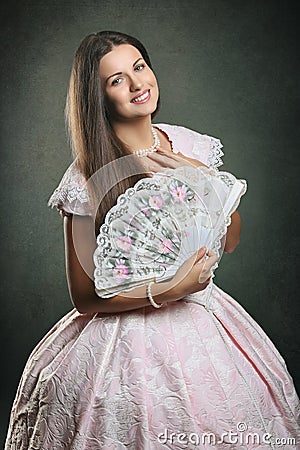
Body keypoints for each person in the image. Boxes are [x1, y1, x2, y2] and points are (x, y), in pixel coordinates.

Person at [5, 31, 299, 450]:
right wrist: (171, 288)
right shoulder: (86, 176)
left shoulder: (192, 144)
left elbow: (229, 240)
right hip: (120, 341)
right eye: (117, 80)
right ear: (99, 98)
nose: (137, 84)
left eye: (139, 67)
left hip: (205, 322)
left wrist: (200, 175)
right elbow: (86, 297)